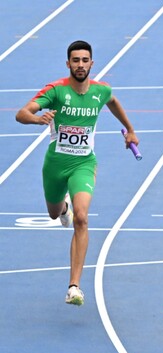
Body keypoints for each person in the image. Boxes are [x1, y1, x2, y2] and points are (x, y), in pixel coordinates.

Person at [15, 40, 139, 305]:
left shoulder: (101, 91)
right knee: (53, 212)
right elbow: (21, 113)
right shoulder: (56, 91)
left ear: (91, 63)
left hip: (84, 164)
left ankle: (74, 287)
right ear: (68, 63)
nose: (80, 65)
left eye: (85, 60)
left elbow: (113, 101)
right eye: (75, 60)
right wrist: (38, 119)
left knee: (82, 218)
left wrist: (130, 129)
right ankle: (62, 210)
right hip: (55, 165)